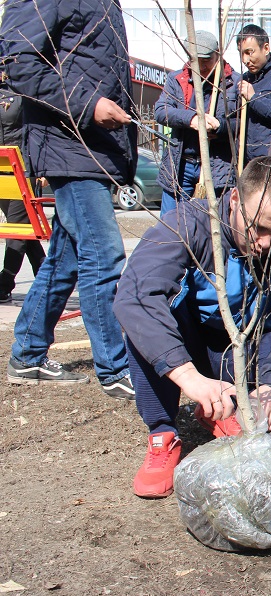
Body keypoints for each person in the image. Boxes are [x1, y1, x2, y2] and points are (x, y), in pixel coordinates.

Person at [114, 156, 271, 499]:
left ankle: (229, 407)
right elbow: (134, 296)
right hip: (190, 345)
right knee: (146, 323)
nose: (264, 243)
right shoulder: (189, 224)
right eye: (258, 227)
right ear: (234, 199)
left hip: (243, 348)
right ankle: (163, 433)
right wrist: (190, 378)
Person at [3, 0, 137, 400]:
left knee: (66, 260)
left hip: (91, 148)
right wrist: (89, 105)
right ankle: (116, 368)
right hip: (70, 146)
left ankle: (27, 354)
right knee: (104, 254)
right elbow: (20, 62)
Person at [155, 30, 239, 214]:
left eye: (206, 60)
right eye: (195, 60)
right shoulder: (177, 79)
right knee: (172, 228)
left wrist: (220, 127)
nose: (201, 67)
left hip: (217, 167)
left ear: (218, 54)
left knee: (215, 228)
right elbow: (161, 111)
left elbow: (242, 124)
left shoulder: (234, 83)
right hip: (180, 166)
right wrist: (191, 119)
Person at [0, 69, 45, 303]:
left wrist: (40, 168)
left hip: (22, 171)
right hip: (1, 174)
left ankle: (4, 282)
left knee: (17, 227)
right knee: (26, 231)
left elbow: (35, 132)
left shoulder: (22, 93)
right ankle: (46, 276)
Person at [235, 25, 271, 164]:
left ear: (266, 48)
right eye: (241, 53)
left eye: (249, 52)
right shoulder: (243, 80)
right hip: (246, 163)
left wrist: (255, 98)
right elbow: (236, 121)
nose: (245, 60)